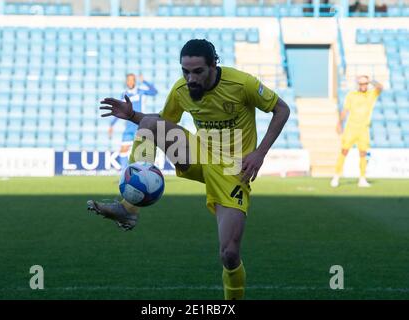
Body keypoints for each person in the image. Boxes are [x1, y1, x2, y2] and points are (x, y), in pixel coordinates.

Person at [87, 39, 290, 300]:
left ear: (213, 65)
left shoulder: (242, 84)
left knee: (229, 253)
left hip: (232, 171)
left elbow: (281, 110)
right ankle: (128, 209)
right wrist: (133, 115)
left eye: (197, 72)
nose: (190, 78)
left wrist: (259, 153)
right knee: (150, 123)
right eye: (185, 71)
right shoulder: (181, 89)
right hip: (197, 155)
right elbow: (163, 123)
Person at [331, 75, 383, 188]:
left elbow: (380, 87)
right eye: (361, 83)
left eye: (365, 83)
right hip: (351, 128)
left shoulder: (371, 94)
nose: (363, 85)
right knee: (344, 151)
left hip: (364, 129)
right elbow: (345, 110)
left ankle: (362, 179)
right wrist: (339, 123)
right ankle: (336, 176)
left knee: (363, 154)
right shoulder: (351, 95)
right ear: (358, 84)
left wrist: (370, 80)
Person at [108, 73, 158, 171]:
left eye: (132, 80)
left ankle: (145, 173)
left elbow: (154, 92)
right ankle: (124, 174)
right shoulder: (124, 94)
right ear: (126, 82)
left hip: (140, 125)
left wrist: (144, 81)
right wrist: (111, 125)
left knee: (142, 152)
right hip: (128, 127)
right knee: (123, 150)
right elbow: (120, 110)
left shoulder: (141, 92)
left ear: (135, 81)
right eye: (128, 80)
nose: (130, 82)